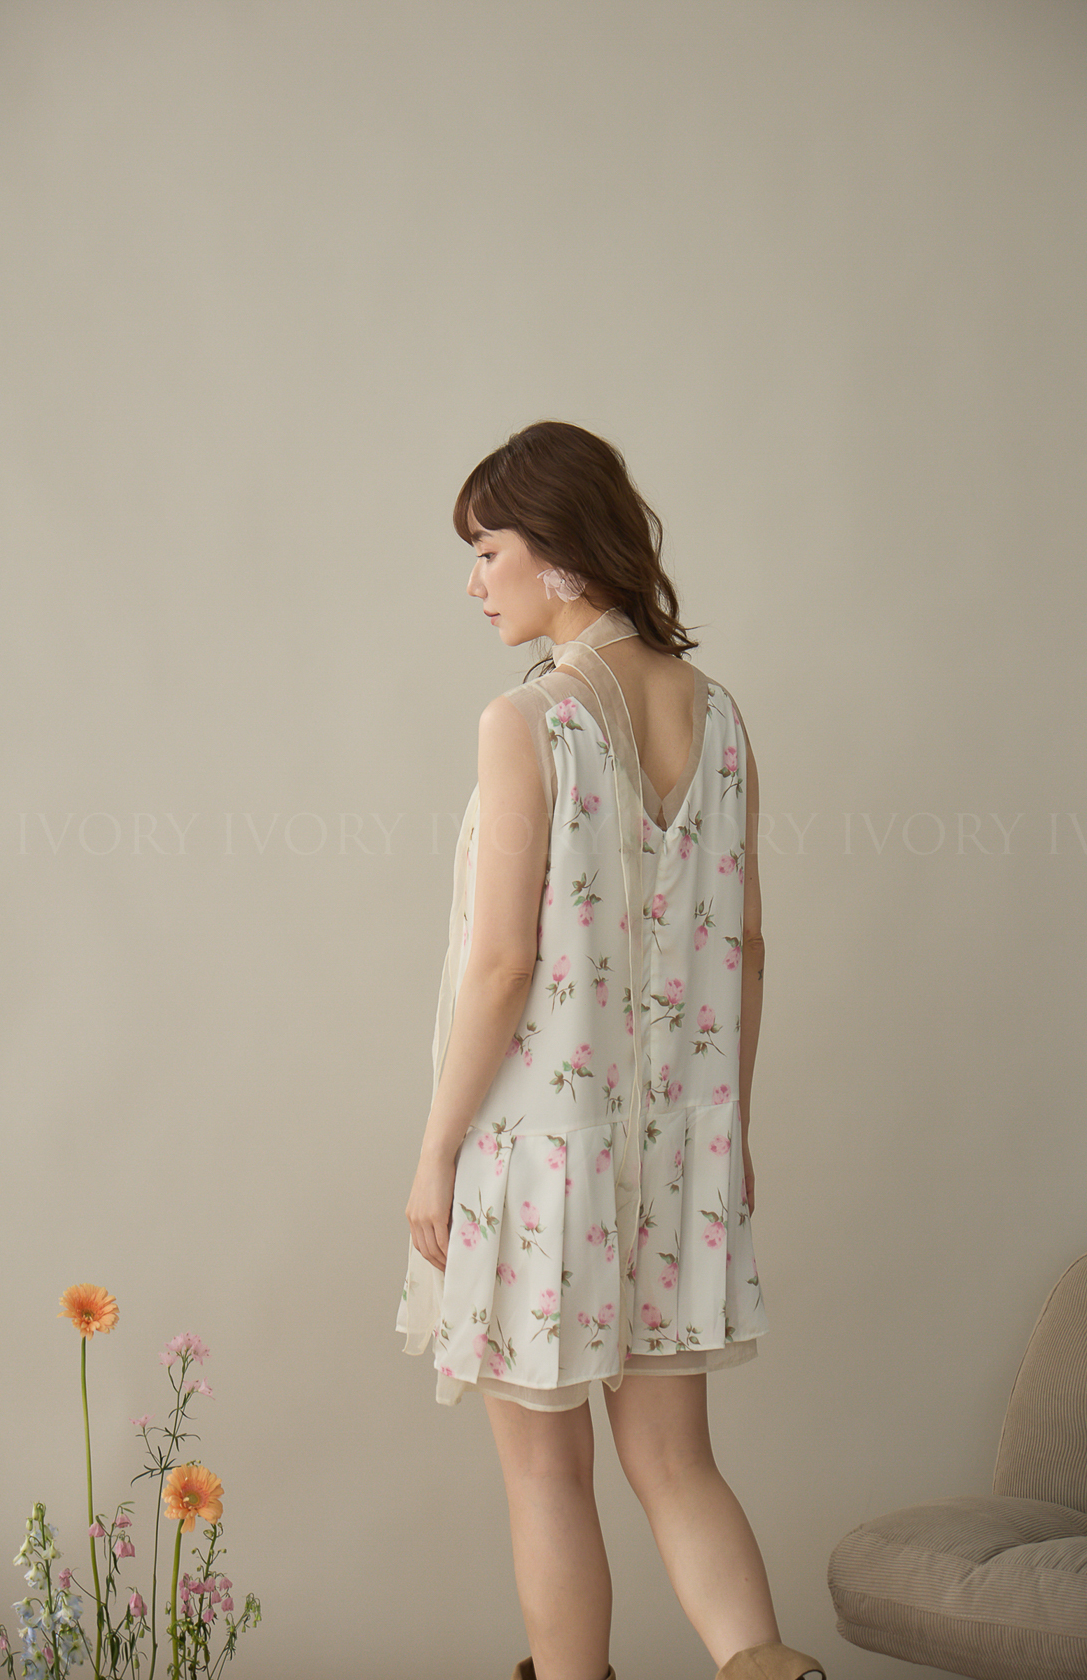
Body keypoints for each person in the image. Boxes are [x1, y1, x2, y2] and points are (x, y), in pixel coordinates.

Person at [397, 422, 825, 1680]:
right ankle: (766, 1667)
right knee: (677, 1463)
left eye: (489, 550)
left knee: (546, 1474)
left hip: (543, 1153)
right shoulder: (721, 715)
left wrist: (434, 1151)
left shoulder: (526, 720)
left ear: (563, 555)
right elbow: (746, 945)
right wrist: (729, 1132)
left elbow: (501, 964)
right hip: (677, 1153)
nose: (473, 583)